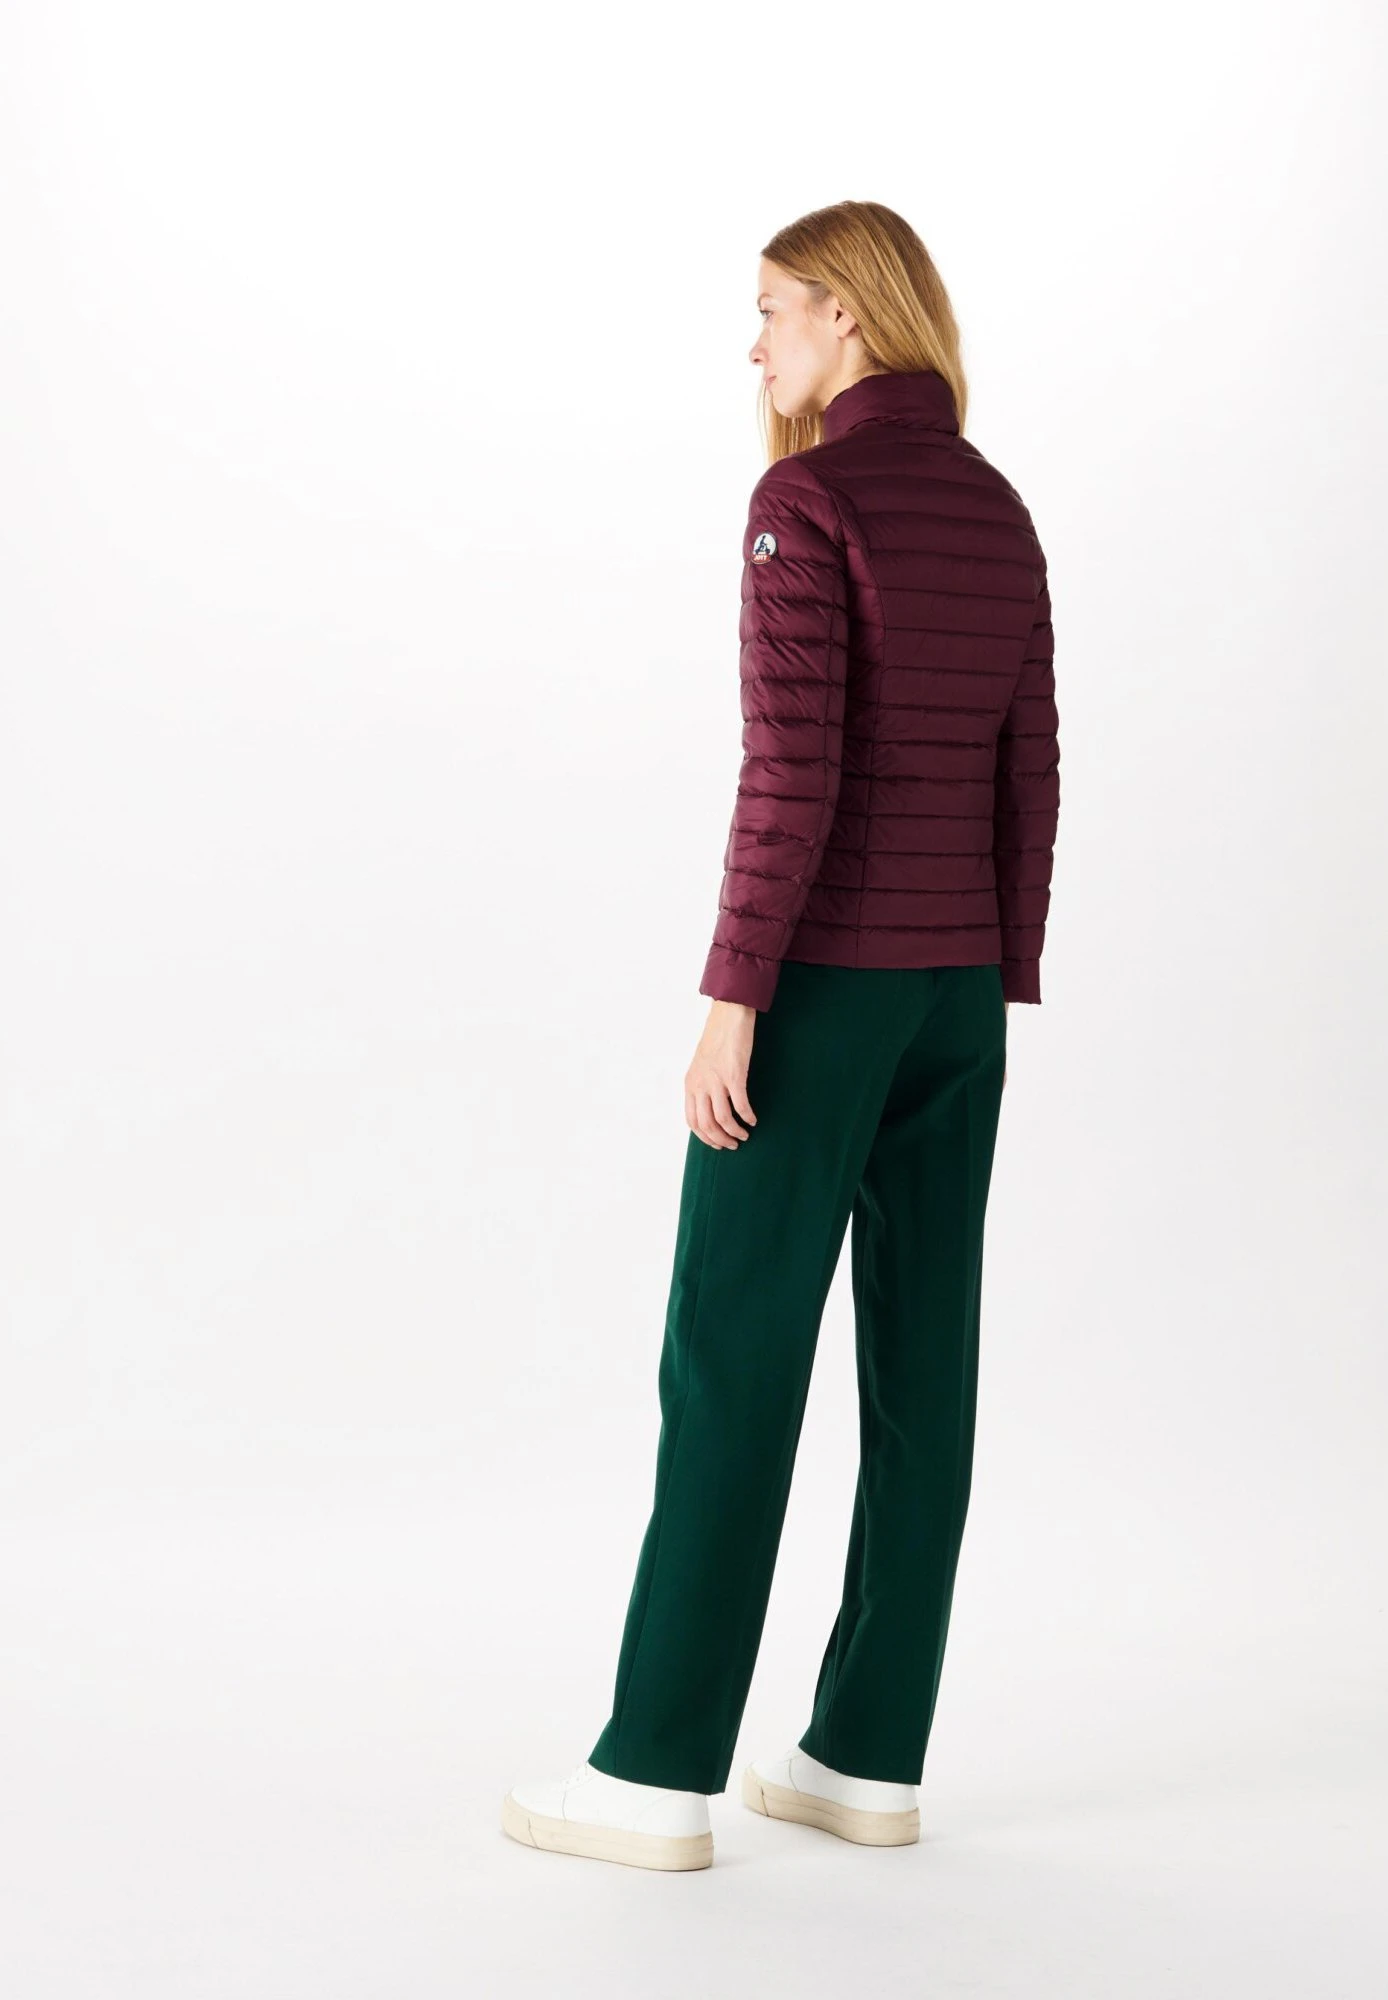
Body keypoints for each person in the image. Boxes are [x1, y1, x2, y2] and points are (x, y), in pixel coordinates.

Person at [502, 199, 1060, 1872]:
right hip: (958, 994)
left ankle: (655, 1772)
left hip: (824, 987)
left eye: (772, 312)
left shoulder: (806, 500)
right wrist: (995, 973)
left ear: (847, 315)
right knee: (924, 1364)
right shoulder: (996, 505)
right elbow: (1031, 766)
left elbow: (793, 774)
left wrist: (734, 999)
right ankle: (865, 1760)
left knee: (732, 1356)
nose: (756, 349)